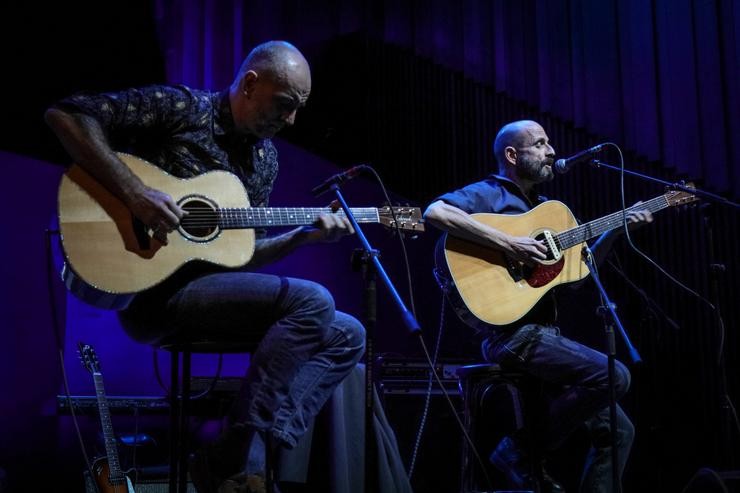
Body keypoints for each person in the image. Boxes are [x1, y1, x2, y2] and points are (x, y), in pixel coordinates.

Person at [45, 40, 366, 493]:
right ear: (251, 84)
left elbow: (242, 256)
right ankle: (237, 460)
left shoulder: (263, 158)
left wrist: (302, 237)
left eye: (298, 110)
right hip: (153, 297)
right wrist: (136, 192)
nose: (290, 120)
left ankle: (242, 451)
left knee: (349, 334)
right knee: (314, 300)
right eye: (284, 105)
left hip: (211, 296)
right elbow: (66, 115)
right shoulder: (180, 109)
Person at [424, 120, 653, 493]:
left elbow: (579, 277)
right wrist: (509, 244)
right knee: (615, 376)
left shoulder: (549, 212)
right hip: (511, 335)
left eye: (550, 143)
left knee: (620, 431)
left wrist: (616, 228)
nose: (551, 152)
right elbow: (435, 213)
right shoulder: (489, 194)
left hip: (546, 336)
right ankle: (518, 449)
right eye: (540, 144)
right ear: (512, 155)